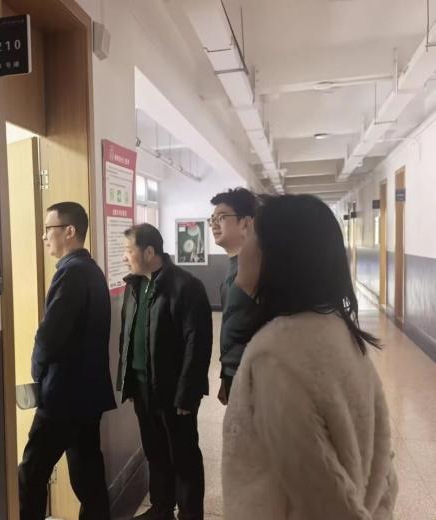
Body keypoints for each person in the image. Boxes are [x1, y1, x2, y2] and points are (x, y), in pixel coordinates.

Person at [222, 194, 398, 520]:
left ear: (276, 255)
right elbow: (385, 469)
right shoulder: (340, 331)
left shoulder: (276, 356)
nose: (242, 249)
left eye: (251, 237)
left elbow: (325, 499)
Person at [18, 202, 116, 520]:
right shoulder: (91, 271)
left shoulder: (71, 273)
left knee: (32, 471)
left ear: (69, 231)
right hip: (87, 394)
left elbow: (50, 336)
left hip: (64, 396)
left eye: (49, 229)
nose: (44, 236)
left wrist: (37, 372)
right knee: (88, 472)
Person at [116, 223, 213, 520]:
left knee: (183, 457)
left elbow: (197, 344)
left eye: (128, 251)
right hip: (143, 387)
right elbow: (127, 335)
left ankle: (190, 514)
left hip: (173, 391)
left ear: (149, 252)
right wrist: (128, 382)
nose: (124, 257)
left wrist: (188, 393)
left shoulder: (186, 286)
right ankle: (161, 509)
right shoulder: (134, 286)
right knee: (155, 453)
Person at [208, 187, 263, 404]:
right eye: (212, 219)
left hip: (254, 375)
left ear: (246, 223)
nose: (214, 224)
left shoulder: (258, 270)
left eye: (221, 217)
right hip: (234, 370)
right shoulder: (233, 265)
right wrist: (225, 373)